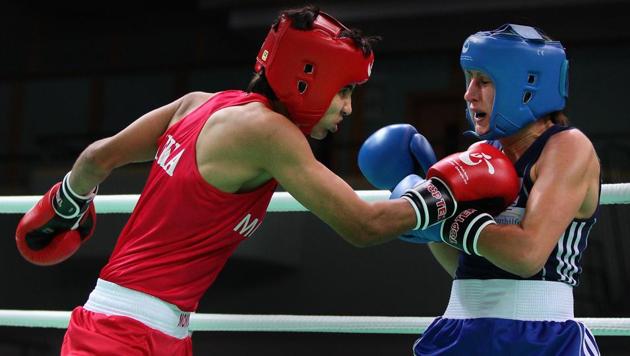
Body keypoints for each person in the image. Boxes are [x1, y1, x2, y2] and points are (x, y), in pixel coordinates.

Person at [14, 6, 515, 355]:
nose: (346, 107)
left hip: (142, 328)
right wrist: (446, 189)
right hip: (123, 337)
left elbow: (98, 158)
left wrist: (69, 203)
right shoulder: (269, 132)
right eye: (343, 91)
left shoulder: (199, 102)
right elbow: (362, 226)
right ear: (307, 78)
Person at [401, 24, 601, 355]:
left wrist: (448, 220)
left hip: (540, 334)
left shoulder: (566, 148)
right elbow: (467, 263)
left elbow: (526, 256)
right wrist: (429, 227)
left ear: (526, 86)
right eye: (470, 78)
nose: (469, 93)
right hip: (460, 326)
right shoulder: (480, 156)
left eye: (485, 80)